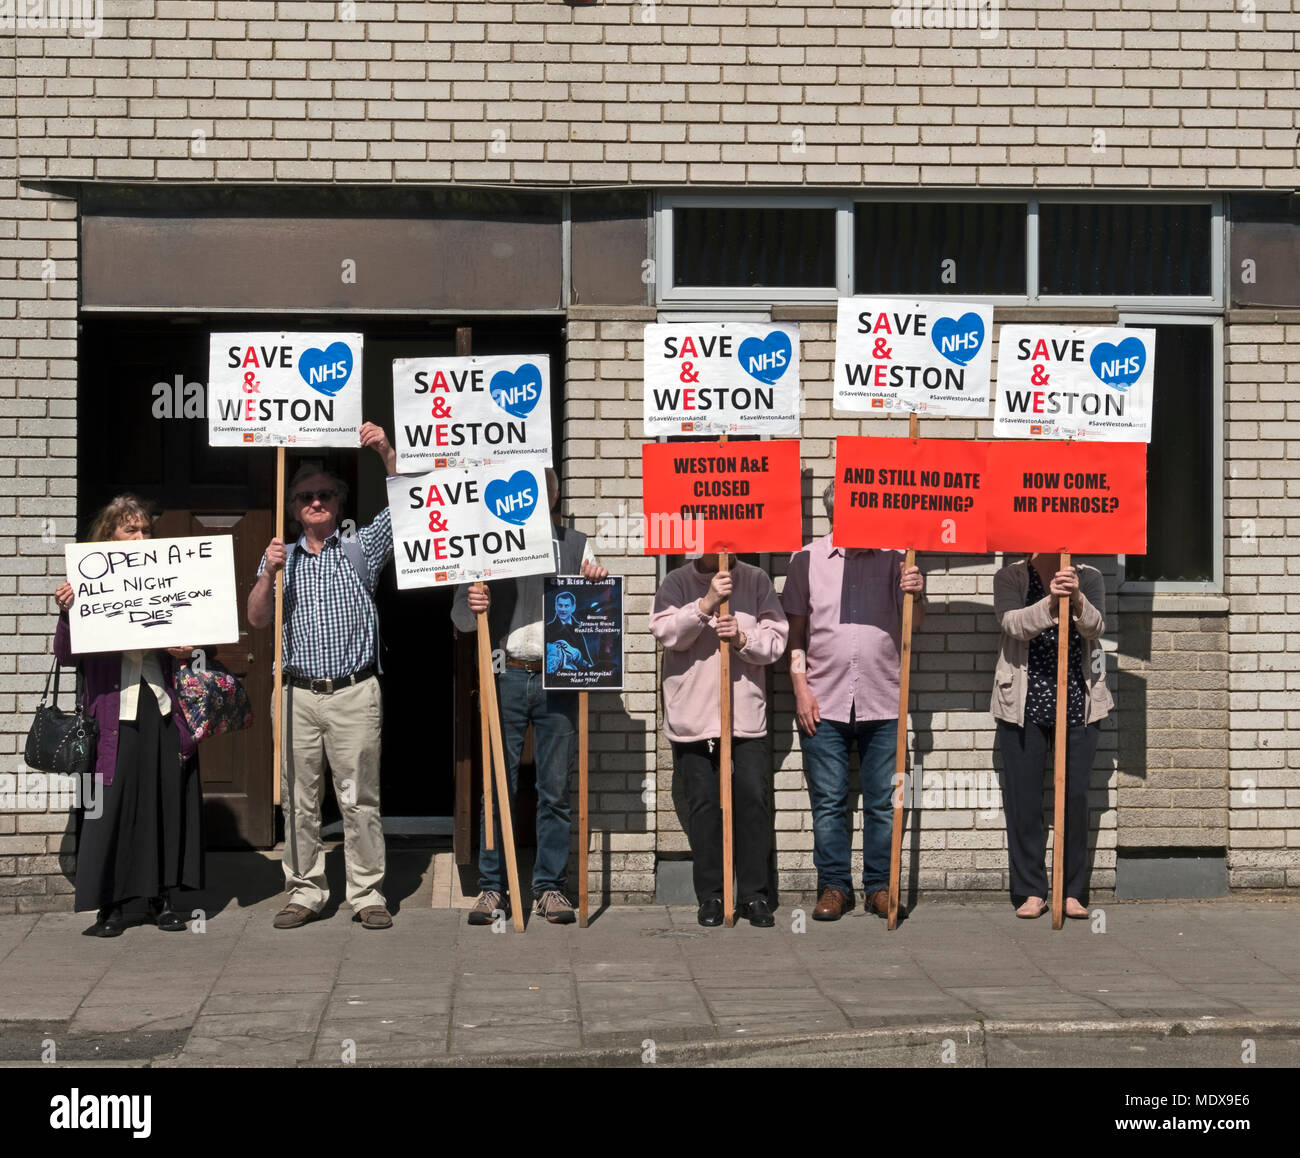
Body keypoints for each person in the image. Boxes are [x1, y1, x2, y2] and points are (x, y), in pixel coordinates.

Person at [248, 422, 397, 931]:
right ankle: (306, 890)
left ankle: (367, 892)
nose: (315, 502)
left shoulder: (360, 549)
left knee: (359, 799)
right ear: (292, 508)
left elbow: (408, 506)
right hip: (296, 695)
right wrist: (267, 574)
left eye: (325, 494)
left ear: (339, 501)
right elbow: (257, 619)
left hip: (354, 692)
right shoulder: (280, 558)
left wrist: (382, 449)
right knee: (298, 799)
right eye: (305, 496)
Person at [451, 469, 607, 926]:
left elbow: (598, 615)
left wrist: (596, 583)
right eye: (525, 495)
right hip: (507, 675)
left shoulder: (576, 545)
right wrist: (473, 601)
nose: (532, 502)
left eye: (542, 494)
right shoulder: (487, 546)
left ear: (555, 498)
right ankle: (492, 888)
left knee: (555, 790)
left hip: (560, 678)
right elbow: (461, 619)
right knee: (496, 789)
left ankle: (549, 888)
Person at [52, 495, 204, 937]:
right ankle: (112, 906)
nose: (139, 538)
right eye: (129, 530)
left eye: (145, 531)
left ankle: (161, 899)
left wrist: (186, 649)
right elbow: (66, 656)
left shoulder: (169, 577)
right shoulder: (89, 582)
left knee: (162, 801)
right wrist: (68, 613)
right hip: (110, 716)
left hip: (159, 707)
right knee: (109, 809)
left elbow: (196, 646)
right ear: (109, 535)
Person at [781, 481, 925, 922]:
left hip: (883, 702)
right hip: (823, 703)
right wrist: (800, 688)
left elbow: (912, 628)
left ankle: (879, 887)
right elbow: (796, 636)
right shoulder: (806, 560)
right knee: (828, 801)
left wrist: (915, 594)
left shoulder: (897, 558)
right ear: (832, 516)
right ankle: (833, 888)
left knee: (884, 802)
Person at [650, 553, 788, 928]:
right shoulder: (677, 582)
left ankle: (754, 895)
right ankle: (711, 895)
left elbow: (776, 641)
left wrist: (743, 638)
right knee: (704, 806)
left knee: (753, 802)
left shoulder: (757, 580)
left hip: (742, 717)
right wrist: (706, 603)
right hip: (694, 718)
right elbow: (666, 633)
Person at [992, 553, 1111, 919]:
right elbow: (1013, 624)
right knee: (1024, 801)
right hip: (1023, 704)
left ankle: (1072, 891)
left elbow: (1096, 627)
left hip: (1078, 703)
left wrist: (1075, 598)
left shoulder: (1089, 576)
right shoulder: (1010, 577)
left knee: (1074, 799)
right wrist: (1049, 601)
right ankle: (1030, 890)